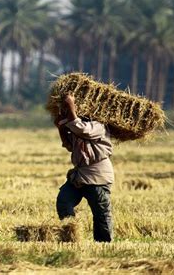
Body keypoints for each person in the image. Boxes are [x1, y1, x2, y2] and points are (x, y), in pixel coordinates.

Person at [54, 94, 114, 242]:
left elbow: (83, 130)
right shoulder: (76, 126)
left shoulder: (99, 126)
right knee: (64, 201)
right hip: (79, 176)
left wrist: (71, 106)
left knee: (100, 213)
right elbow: (69, 146)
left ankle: (104, 244)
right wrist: (61, 128)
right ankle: (71, 237)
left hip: (97, 176)